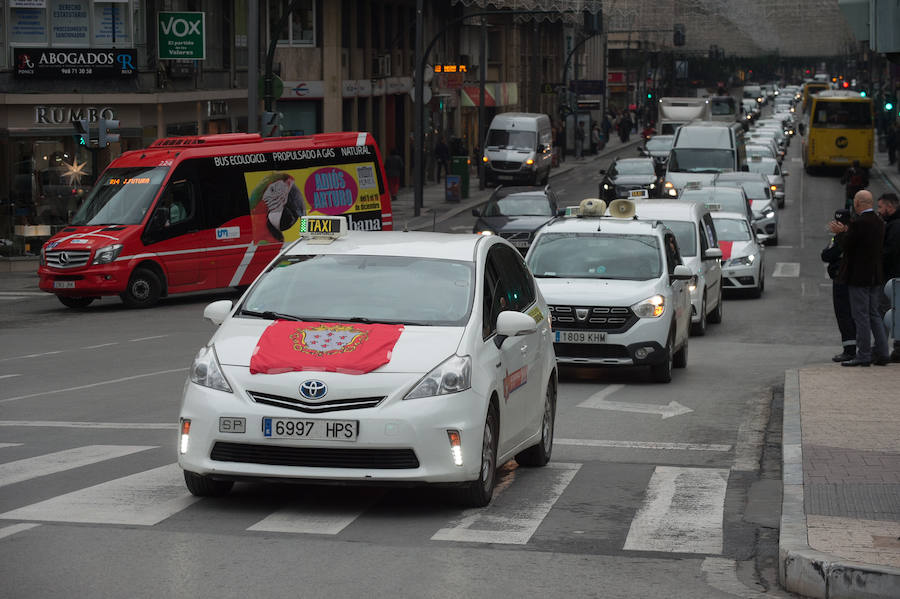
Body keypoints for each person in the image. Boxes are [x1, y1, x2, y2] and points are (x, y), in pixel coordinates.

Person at [829, 190, 891, 366]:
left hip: (859, 277)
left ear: (858, 203)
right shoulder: (879, 222)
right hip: (875, 275)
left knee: (861, 316)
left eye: (855, 201)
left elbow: (848, 246)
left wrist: (840, 233)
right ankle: (883, 351)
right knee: (874, 314)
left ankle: (863, 355)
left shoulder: (859, 223)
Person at [821, 209, 856, 361]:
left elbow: (830, 254)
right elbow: (825, 254)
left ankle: (850, 350)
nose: (835, 225)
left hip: (845, 280)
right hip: (841, 279)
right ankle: (851, 347)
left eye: (840, 223)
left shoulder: (847, 237)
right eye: (836, 222)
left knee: (846, 314)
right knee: (846, 314)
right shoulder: (838, 238)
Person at [877, 192, 900, 361]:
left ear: (889, 207)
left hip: (892, 277)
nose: (879, 210)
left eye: (880, 207)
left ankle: (883, 349)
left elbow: (891, 252)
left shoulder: (895, 225)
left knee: (885, 312)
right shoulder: (893, 223)